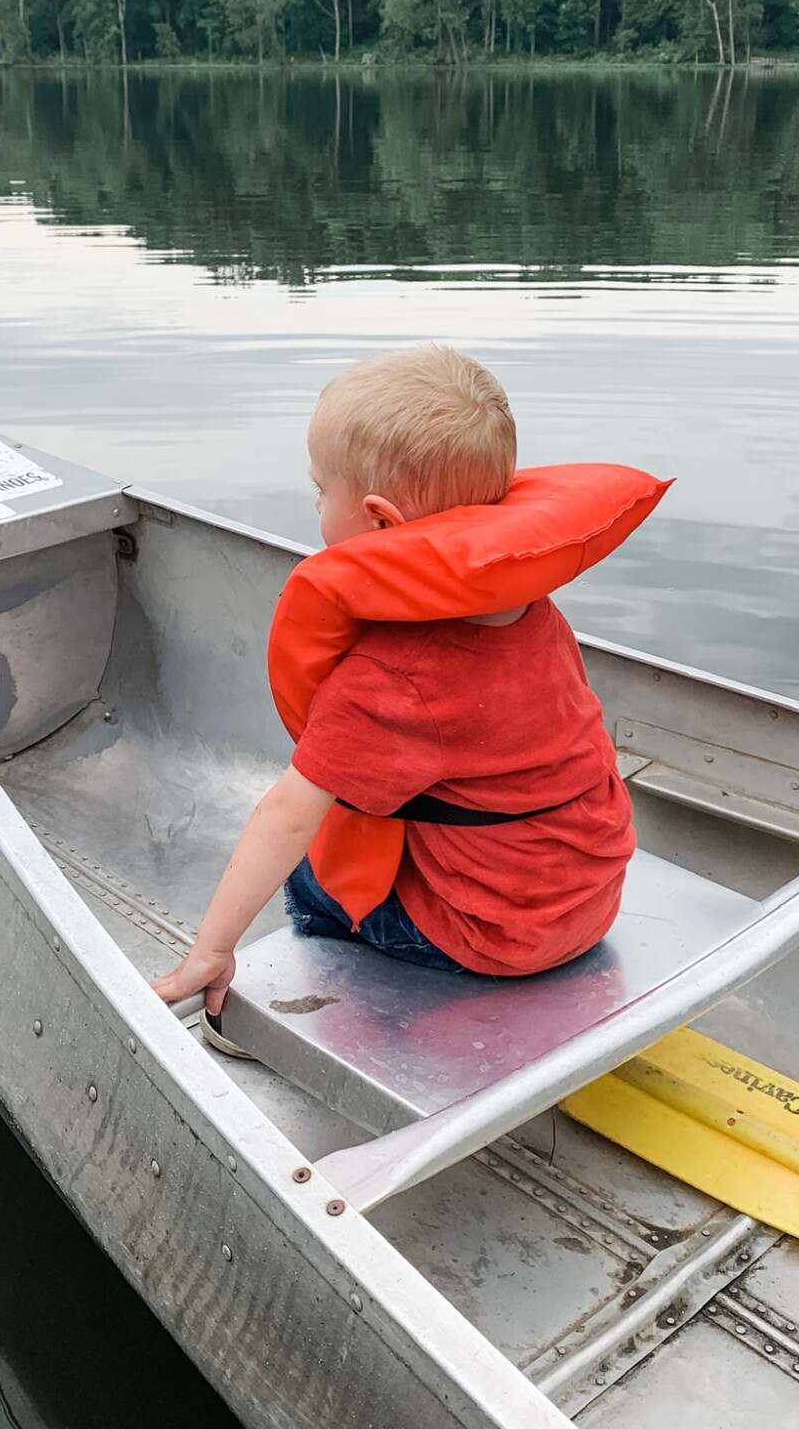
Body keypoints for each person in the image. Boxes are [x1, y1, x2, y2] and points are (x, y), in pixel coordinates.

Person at [150, 347, 657, 1016]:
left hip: (486, 939)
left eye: (320, 490)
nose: (314, 503)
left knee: (312, 871)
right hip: (588, 903)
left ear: (380, 521)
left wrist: (211, 950)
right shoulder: (531, 609)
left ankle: (333, 991)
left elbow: (287, 815)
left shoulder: (393, 677)